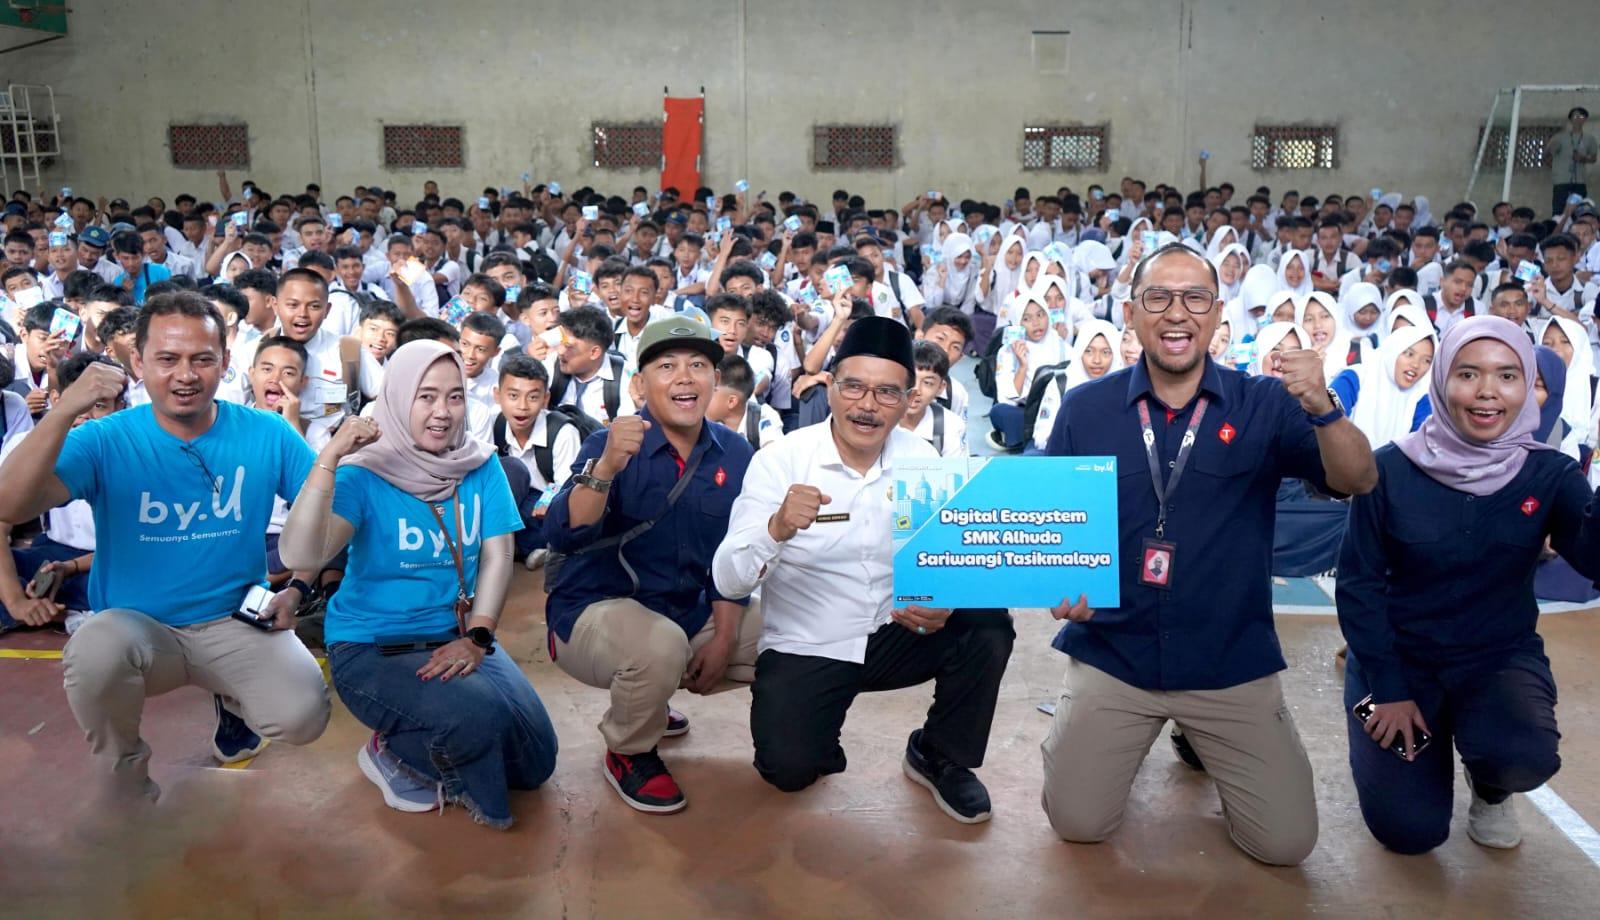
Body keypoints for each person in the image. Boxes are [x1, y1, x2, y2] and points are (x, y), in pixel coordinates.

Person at [1040, 244, 1377, 865]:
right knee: (1078, 823)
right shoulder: (1087, 409)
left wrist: (1323, 408)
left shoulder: (1267, 404)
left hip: (1229, 660)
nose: (1177, 313)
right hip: (1117, 652)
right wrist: (1061, 586)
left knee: (1285, 845)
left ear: (1218, 313)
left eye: (1194, 298)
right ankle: (1094, 725)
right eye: (1158, 298)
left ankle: (1197, 735)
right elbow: (1050, 524)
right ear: (1131, 313)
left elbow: (1358, 480)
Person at [0, 292, 330, 802]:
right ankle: (126, 777)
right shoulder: (105, 439)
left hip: (234, 622)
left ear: (224, 361)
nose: (186, 375)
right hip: (138, 630)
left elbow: (327, 519)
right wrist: (65, 409)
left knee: (303, 713)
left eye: (202, 359)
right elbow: (9, 504)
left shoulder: (266, 433)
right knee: (93, 651)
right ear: (138, 362)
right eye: (167, 359)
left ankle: (234, 700)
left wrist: (301, 586)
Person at [713, 316, 1014, 824]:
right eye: (853, 386)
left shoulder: (923, 458)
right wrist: (776, 527)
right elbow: (728, 579)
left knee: (986, 622)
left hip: (896, 630)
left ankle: (941, 754)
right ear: (830, 385)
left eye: (886, 393)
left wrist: (944, 598)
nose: (867, 405)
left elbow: (951, 556)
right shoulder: (781, 460)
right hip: (811, 641)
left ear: (908, 398)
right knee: (788, 770)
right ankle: (813, 726)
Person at [1338, 316, 1600, 854]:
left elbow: (1594, 559)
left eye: (1506, 376)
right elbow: (1358, 586)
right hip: (1393, 667)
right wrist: (1386, 689)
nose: (1486, 392)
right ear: (1441, 380)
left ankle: (1491, 787)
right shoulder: (1386, 470)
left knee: (1522, 753)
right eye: (1467, 374)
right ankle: (1372, 713)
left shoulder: (1548, 473)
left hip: (1495, 660)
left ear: (1528, 385)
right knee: (1408, 832)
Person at [278, 340, 557, 828]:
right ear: (397, 397)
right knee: (476, 720)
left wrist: (479, 637)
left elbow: (498, 556)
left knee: (536, 760)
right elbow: (301, 554)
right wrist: (331, 456)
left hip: (457, 635)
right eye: (425, 396)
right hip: (371, 646)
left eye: (454, 397)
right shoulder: (365, 473)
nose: (442, 413)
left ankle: (441, 737)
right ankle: (390, 751)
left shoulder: (479, 464)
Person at [543, 316, 759, 815]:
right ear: (640, 384)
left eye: (699, 365)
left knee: (787, 632)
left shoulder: (738, 453)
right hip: (592, 613)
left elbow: (736, 555)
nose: (685, 377)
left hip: (687, 611)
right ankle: (629, 749)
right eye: (667, 366)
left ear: (715, 381)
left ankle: (652, 698)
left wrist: (724, 637)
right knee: (658, 646)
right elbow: (563, 533)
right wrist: (606, 470)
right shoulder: (609, 444)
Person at [1331, 326, 1437, 449]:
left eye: (1427, 360)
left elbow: (1422, 448)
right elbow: (1328, 421)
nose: (1416, 364)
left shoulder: (1421, 397)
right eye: (1409, 354)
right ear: (1392, 350)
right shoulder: (1355, 377)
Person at [1548, 107, 1598, 218]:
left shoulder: (1590, 139)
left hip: (1579, 181)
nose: (1578, 119)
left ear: (1585, 119)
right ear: (1570, 119)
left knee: (1580, 211)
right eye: (1575, 116)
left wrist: (1583, 159)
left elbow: (1594, 159)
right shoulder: (1559, 137)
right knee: (1558, 212)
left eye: (1581, 116)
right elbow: (1548, 154)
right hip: (1561, 181)